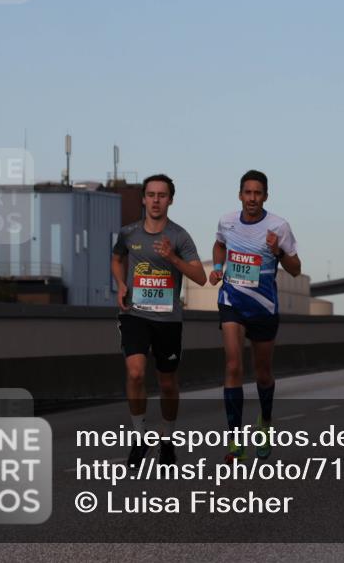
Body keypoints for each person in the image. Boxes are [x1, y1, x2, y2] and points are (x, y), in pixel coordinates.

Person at [112, 174, 206, 468]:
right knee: (136, 373)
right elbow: (117, 259)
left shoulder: (179, 236)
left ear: (170, 200)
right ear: (143, 199)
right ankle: (139, 438)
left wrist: (174, 258)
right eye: (151, 194)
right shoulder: (129, 234)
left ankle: (167, 440)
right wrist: (121, 284)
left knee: (167, 384)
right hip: (135, 314)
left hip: (168, 320)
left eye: (162, 195)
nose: (155, 200)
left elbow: (200, 278)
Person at [210, 170, 300, 462]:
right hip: (232, 301)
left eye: (257, 193)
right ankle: (235, 440)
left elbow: (296, 268)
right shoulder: (227, 221)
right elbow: (220, 244)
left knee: (262, 373)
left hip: (263, 307)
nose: (252, 198)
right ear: (240, 195)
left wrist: (277, 250)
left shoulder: (279, 226)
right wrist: (217, 267)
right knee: (233, 365)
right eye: (247, 193)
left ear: (265, 197)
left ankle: (265, 422)